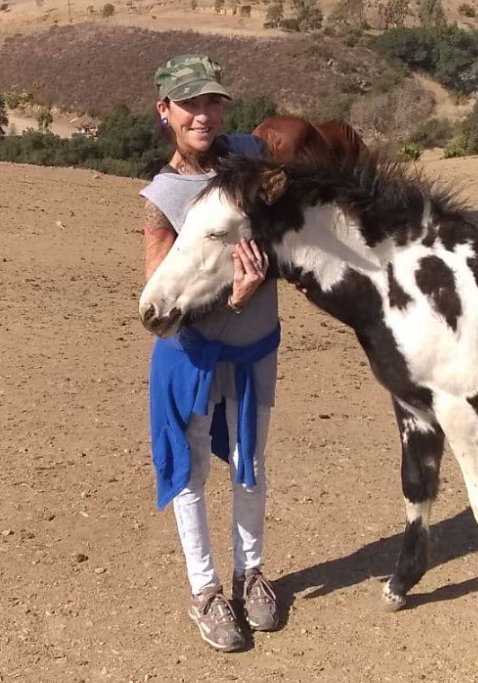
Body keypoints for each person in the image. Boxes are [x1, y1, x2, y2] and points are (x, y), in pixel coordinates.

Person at [140, 54, 280, 652]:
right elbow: (159, 304)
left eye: (211, 102)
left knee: (252, 462)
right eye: (189, 104)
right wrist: (234, 295)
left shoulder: (252, 155)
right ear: (164, 110)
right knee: (193, 468)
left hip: (256, 347)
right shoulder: (165, 195)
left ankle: (251, 573)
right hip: (192, 355)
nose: (203, 115)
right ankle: (204, 590)